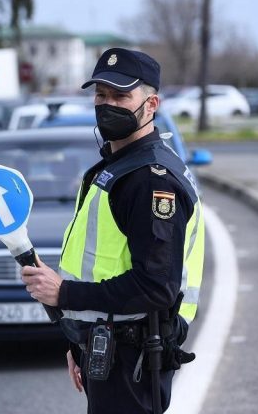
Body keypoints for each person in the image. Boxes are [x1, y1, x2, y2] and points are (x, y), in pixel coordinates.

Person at [22, 48, 204, 413]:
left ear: (151, 104)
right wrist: (79, 341)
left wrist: (65, 294)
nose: (108, 104)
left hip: (133, 359)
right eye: (101, 95)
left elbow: (155, 287)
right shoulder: (116, 167)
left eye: (121, 95)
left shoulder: (149, 181)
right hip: (108, 350)